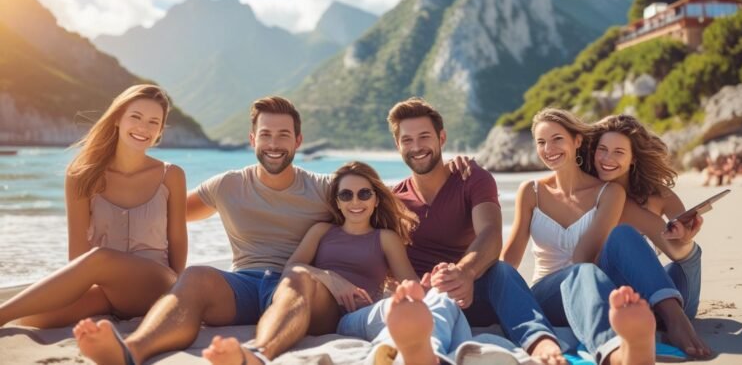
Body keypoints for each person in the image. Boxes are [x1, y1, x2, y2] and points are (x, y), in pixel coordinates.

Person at [74, 96, 336, 365]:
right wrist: (110, 187)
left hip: (305, 294)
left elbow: (376, 202)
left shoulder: (325, 189)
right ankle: (129, 351)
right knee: (196, 275)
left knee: (298, 275)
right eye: (265, 134)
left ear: (298, 141)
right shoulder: (228, 185)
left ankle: (257, 355)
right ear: (252, 139)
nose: (273, 144)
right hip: (246, 286)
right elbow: (166, 210)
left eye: (283, 135)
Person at [204, 161, 472, 365]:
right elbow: (291, 270)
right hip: (321, 310)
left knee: (426, 304)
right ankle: (259, 354)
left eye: (364, 194)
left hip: (359, 314)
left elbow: (408, 283)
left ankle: (431, 354)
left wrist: (427, 284)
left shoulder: (386, 238)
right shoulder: (321, 231)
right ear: (337, 202)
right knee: (301, 280)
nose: (355, 202)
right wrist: (330, 277)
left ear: (376, 199)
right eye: (346, 195)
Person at [386, 98, 566, 365]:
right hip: (426, 300)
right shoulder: (392, 200)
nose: (416, 147)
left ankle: (540, 343)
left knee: (502, 271)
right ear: (398, 145)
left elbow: (491, 233)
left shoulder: (472, 178)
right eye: (407, 140)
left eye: (424, 136)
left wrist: (465, 272)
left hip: (473, 295)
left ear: (442, 137)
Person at [0, 84, 187, 329]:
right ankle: (111, 307)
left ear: (160, 130)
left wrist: (176, 296)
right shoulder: (81, 175)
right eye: (136, 117)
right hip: (106, 286)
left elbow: (178, 241)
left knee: (99, 257)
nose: (143, 128)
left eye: (154, 122)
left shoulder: (171, 175)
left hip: (156, 283)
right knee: (32, 320)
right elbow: (77, 254)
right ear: (118, 118)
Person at [501, 108, 658, 365]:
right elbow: (509, 260)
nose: (548, 148)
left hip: (591, 295)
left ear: (577, 141)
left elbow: (591, 254)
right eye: (541, 142)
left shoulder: (609, 193)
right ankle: (615, 356)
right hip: (546, 296)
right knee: (582, 271)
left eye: (557, 139)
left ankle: (619, 351)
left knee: (585, 270)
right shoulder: (531, 192)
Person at [588, 114, 706, 321]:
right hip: (612, 296)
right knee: (623, 236)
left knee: (688, 258)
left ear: (633, 158)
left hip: (662, 298)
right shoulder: (587, 192)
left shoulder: (660, 196)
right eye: (602, 150)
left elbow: (677, 252)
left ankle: (672, 313)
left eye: (619, 152)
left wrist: (686, 240)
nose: (607, 159)